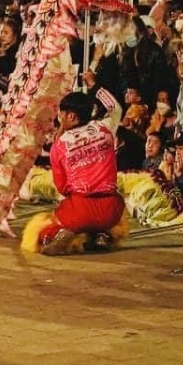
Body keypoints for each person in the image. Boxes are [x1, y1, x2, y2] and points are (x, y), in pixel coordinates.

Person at [24, 91, 124, 255]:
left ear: (70, 116)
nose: (58, 118)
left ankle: (64, 233)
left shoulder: (60, 146)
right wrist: (98, 89)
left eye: (60, 115)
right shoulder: (104, 128)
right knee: (116, 203)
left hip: (80, 210)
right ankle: (102, 234)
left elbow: (62, 187)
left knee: (45, 226)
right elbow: (116, 109)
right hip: (110, 210)